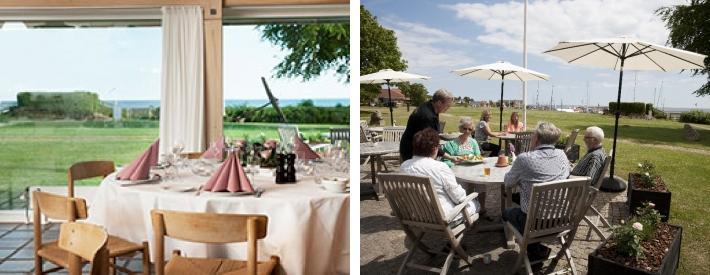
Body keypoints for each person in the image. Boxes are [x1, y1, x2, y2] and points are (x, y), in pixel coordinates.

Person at [502, 121, 570, 264]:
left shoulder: (525, 158)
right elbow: (566, 174)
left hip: (535, 223)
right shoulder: (562, 155)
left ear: (537, 138)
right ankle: (537, 250)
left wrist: (522, 178)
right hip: (562, 220)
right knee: (530, 210)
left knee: (506, 213)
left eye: (532, 135)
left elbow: (508, 183)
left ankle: (534, 251)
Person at [401, 128, 480, 223]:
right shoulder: (440, 167)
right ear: (434, 148)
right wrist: (470, 195)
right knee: (475, 203)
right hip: (444, 217)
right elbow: (459, 198)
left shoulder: (404, 166)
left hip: (418, 215)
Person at [400, 89, 454, 161]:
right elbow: (429, 142)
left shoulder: (429, 106)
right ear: (439, 102)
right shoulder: (427, 116)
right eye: (447, 106)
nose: (448, 108)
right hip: (413, 153)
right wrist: (448, 156)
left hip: (413, 148)